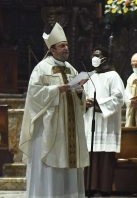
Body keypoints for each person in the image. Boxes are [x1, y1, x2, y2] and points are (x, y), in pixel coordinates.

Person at [19, 22, 89, 198]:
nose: (66, 48)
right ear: (52, 49)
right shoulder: (41, 68)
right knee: (51, 168)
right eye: (62, 46)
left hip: (70, 130)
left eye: (67, 45)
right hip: (50, 129)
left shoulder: (71, 68)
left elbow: (80, 98)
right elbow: (34, 95)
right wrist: (57, 89)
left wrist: (80, 92)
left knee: (70, 168)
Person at [82, 47, 125, 196]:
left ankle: (103, 188)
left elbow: (119, 98)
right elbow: (83, 95)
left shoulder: (113, 76)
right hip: (90, 121)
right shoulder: (89, 76)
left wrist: (98, 103)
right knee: (90, 154)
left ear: (104, 58)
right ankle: (89, 187)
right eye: (93, 55)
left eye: (97, 55)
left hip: (106, 123)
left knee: (104, 157)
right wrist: (85, 103)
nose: (94, 58)